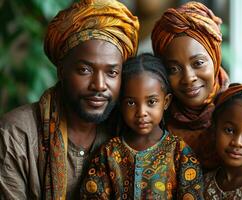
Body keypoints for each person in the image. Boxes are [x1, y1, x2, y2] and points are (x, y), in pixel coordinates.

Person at [151, 0, 242, 194]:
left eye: (198, 63)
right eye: (173, 69)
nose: (188, 78)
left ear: (214, 57)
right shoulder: (154, 122)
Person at [0, 0, 139, 199]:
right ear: (61, 70)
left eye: (112, 72)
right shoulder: (16, 135)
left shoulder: (128, 131)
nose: (99, 85)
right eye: (84, 70)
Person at [80, 53, 204, 199]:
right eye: (131, 103)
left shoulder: (179, 152)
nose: (141, 112)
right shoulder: (109, 153)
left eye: (151, 102)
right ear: (120, 103)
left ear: (166, 102)